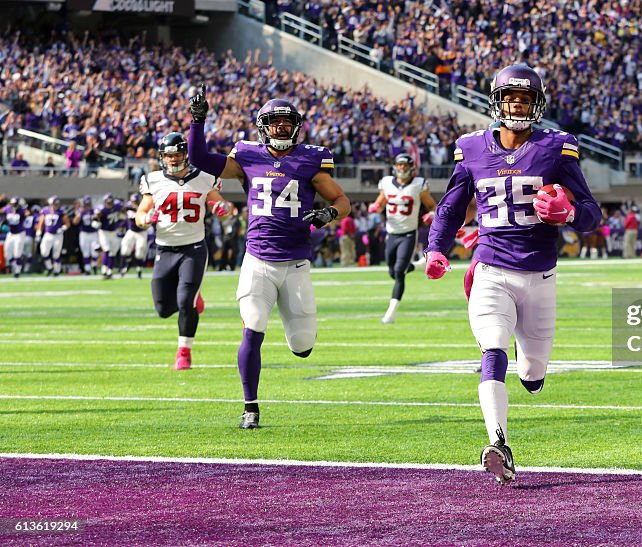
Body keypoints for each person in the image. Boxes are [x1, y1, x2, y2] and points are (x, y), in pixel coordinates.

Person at [424, 62, 600, 485]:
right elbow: (450, 207)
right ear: (495, 101)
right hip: (490, 267)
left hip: (539, 274)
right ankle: (498, 441)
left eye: (524, 97)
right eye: (509, 97)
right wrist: (435, 248)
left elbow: (592, 214)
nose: (516, 104)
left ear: (538, 103)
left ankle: (530, 367)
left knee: (533, 373)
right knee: (492, 350)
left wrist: (570, 212)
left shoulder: (557, 147)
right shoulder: (471, 146)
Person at [187, 85, 351, 429]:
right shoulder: (247, 156)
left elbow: (342, 201)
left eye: (285, 121)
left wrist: (328, 215)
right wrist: (197, 121)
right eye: (273, 122)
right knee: (253, 326)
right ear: (263, 126)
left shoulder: (310, 159)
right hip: (258, 261)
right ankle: (250, 406)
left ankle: (299, 336)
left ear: (296, 126)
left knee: (303, 346)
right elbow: (199, 159)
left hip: (296, 263)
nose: (279, 127)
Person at [137, 132, 229, 369]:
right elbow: (140, 214)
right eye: (169, 156)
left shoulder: (204, 178)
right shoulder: (154, 180)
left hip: (194, 248)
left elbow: (222, 206)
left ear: (186, 155)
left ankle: (184, 352)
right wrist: (147, 218)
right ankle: (194, 300)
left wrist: (223, 210)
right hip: (165, 249)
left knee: (185, 301)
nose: (173, 159)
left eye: (177, 154)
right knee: (163, 308)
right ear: (162, 157)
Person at [368, 152, 437, 324]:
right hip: (391, 233)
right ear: (395, 167)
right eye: (400, 165)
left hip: (408, 233)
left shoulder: (418, 184)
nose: (402, 168)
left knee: (399, 272)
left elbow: (432, 206)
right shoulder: (386, 183)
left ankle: (390, 314)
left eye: (405, 165)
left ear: (411, 168)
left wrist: (431, 214)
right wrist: (375, 207)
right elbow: (380, 202)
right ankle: (419, 266)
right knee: (393, 271)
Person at [36, 196, 70, 275]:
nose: (55, 205)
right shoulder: (45, 211)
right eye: (54, 204)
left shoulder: (61, 211)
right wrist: (38, 233)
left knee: (56, 254)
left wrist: (62, 228)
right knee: (44, 252)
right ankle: (50, 267)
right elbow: (41, 223)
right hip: (48, 234)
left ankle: (57, 271)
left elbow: (67, 223)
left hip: (58, 235)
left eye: (56, 204)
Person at [120, 192, 149, 278]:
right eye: (133, 201)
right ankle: (128, 262)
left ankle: (139, 269)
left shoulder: (144, 206)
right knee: (125, 249)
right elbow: (126, 213)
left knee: (140, 251)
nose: (134, 203)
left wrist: (138, 209)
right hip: (131, 231)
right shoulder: (129, 206)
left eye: (135, 201)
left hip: (141, 231)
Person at [2, 197, 30, 277]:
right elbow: (2, 211)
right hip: (10, 233)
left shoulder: (22, 210)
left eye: (15, 204)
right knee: (7, 254)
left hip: (20, 233)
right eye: (12, 204)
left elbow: (28, 213)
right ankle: (15, 268)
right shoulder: (7, 209)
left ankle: (18, 270)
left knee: (17, 253)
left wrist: (23, 208)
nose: (13, 206)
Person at [74, 196, 101, 275]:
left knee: (94, 252)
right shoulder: (80, 211)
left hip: (93, 233)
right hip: (84, 233)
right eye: (86, 204)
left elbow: (99, 221)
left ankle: (94, 266)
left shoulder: (94, 211)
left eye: (88, 203)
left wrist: (97, 222)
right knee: (85, 252)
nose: (87, 205)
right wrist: (79, 214)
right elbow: (75, 222)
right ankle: (87, 269)